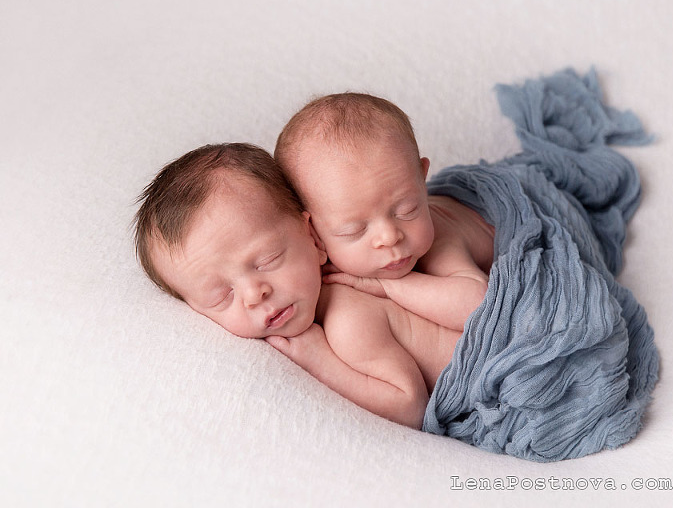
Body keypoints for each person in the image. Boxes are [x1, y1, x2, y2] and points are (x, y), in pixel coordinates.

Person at [133, 143, 462, 429]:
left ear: (314, 237)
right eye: (222, 296)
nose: (254, 294)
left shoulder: (347, 315)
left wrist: (319, 359)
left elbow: (410, 407)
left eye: (267, 260)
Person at [274, 93, 495, 332]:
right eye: (355, 230)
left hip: (493, 220)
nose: (389, 237)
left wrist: (387, 287)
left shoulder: (440, 243)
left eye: (407, 210)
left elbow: (480, 307)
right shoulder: (312, 257)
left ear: (422, 179)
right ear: (313, 232)